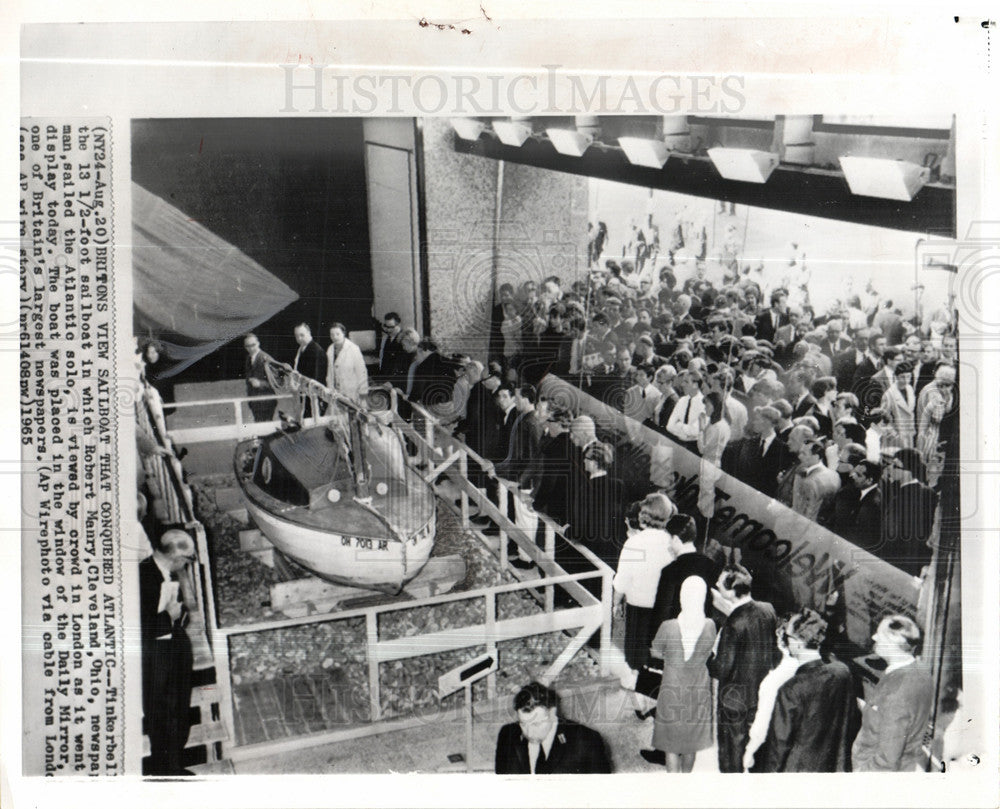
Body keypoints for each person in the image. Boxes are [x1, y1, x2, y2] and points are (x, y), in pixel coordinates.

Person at [755, 609, 859, 772]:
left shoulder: (791, 689)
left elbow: (778, 747)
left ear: (797, 643)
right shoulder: (842, 671)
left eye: (787, 637)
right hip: (830, 766)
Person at [708, 565, 779, 773]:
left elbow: (721, 669)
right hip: (760, 693)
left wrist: (706, 658)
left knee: (731, 755)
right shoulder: (768, 609)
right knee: (756, 748)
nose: (716, 586)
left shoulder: (733, 623)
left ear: (731, 591)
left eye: (720, 584)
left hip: (734, 701)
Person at [642, 576, 717, 772]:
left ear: (682, 597)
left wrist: (671, 656)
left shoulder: (668, 626)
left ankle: (674, 789)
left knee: (671, 744)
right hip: (699, 689)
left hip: (672, 689)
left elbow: (655, 651)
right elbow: (710, 651)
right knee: (691, 743)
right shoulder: (710, 625)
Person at [140, 528, 197, 776]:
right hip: (156, 663)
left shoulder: (165, 572)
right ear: (175, 557)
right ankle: (165, 770)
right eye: (186, 560)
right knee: (163, 718)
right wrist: (167, 618)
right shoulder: (143, 576)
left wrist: (177, 618)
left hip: (172, 655)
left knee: (177, 715)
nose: (185, 565)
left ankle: (174, 765)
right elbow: (138, 627)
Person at [852, 615, 935, 772]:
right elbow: (901, 719)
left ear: (894, 643)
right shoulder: (920, 670)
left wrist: (861, 775)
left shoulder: (897, 695)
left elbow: (886, 761)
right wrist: (869, 709)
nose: (874, 636)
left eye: (880, 634)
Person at [612, 493, 677, 672]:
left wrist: (615, 603)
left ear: (644, 515)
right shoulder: (672, 544)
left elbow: (622, 580)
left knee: (635, 657)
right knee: (656, 655)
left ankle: (636, 685)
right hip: (664, 609)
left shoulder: (634, 542)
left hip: (638, 606)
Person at [494, 681, 612, 774]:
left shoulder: (587, 740)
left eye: (536, 724)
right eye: (523, 724)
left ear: (552, 713)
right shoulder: (507, 735)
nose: (529, 733)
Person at [743, 617, 801, 772]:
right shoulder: (802, 669)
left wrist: (750, 750)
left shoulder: (773, 681)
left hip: (772, 747)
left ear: (780, 640)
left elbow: (762, 722)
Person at [648, 514, 720, 631]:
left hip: (675, 638)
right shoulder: (710, 565)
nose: (668, 544)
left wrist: (652, 641)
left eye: (669, 539)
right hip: (700, 636)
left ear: (676, 539)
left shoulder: (670, 570)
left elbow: (662, 613)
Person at [791, 439, 841, 522]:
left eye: (804, 454)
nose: (799, 456)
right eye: (800, 453)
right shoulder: (835, 475)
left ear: (816, 456)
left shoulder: (808, 482)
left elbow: (802, 514)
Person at [325, 322, 369, 404]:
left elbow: (361, 371)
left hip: (351, 391)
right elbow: (329, 371)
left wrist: (363, 391)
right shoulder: (330, 349)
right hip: (335, 391)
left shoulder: (353, 349)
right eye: (332, 334)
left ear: (343, 333)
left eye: (337, 334)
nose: (335, 337)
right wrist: (329, 388)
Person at [291, 322, 328, 417]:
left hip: (314, 398)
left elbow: (317, 379)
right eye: (297, 336)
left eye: (302, 335)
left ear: (309, 332)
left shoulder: (316, 351)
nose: (299, 339)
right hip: (305, 396)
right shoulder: (302, 349)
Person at [243, 332, 276, 422]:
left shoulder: (266, 358)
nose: (251, 348)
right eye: (247, 346)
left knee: (265, 431)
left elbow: (277, 382)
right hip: (255, 402)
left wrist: (260, 384)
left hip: (266, 402)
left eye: (253, 345)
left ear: (258, 343)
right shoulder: (248, 358)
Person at [376, 311, 405, 379]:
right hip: (385, 376)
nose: (388, 330)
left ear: (399, 324)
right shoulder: (385, 338)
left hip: (396, 378)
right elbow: (382, 358)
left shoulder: (404, 338)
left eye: (391, 327)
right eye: (386, 326)